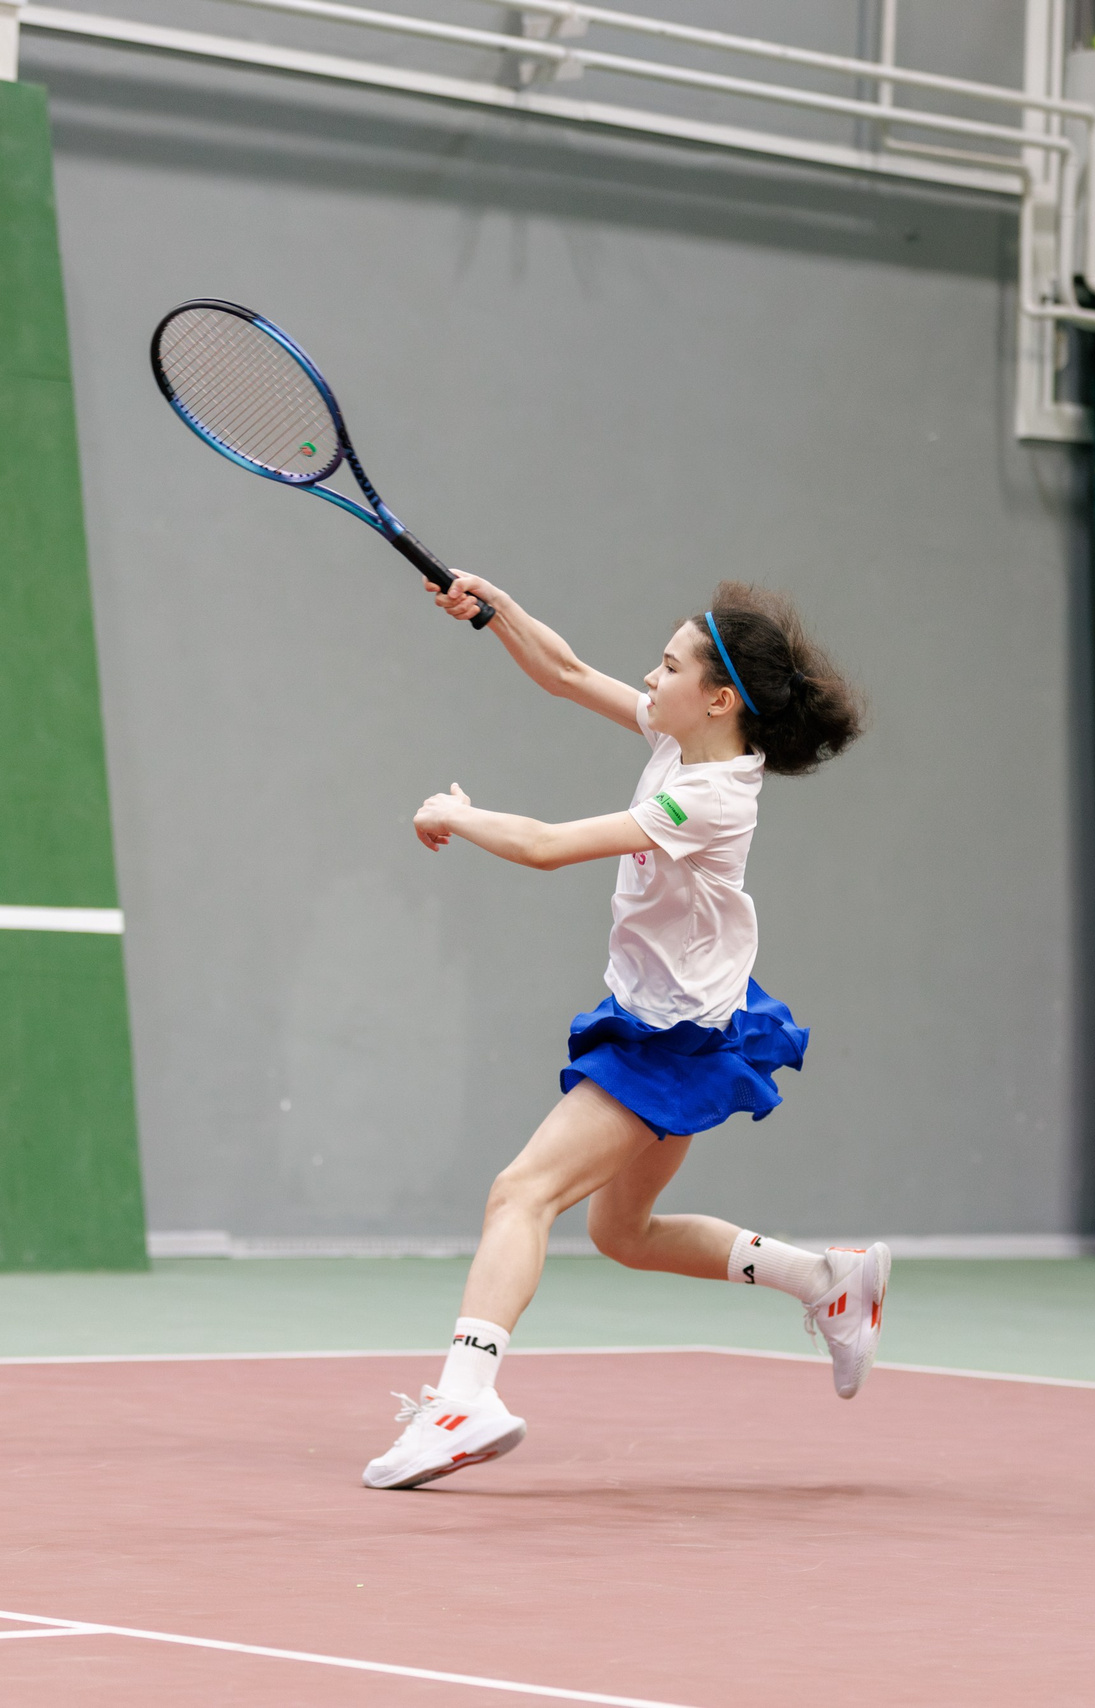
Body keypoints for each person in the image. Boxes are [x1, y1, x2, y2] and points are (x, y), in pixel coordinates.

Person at [363, 571, 877, 1491]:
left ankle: (464, 1399)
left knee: (519, 1193)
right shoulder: (679, 736)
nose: (651, 672)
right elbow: (564, 672)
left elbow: (550, 846)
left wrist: (456, 815)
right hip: (685, 1017)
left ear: (719, 699)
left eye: (670, 663)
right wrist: (499, 610)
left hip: (671, 1045)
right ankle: (826, 1280)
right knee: (623, 1233)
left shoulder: (710, 796)